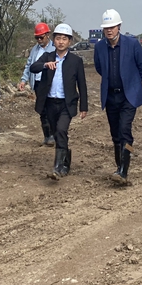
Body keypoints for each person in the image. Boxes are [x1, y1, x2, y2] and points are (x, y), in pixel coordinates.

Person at [94, 9, 142, 184]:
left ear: (119, 26)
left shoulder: (132, 44)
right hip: (110, 96)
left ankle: (124, 171)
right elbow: (99, 67)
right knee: (115, 134)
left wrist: (132, 84)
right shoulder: (99, 47)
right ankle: (119, 168)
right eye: (106, 28)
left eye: (112, 27)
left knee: (125, 130)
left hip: (128, 96)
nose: (109, 30)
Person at [30, 23, 88, 180]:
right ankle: (65, 162)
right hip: (50, 103)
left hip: (66, 104)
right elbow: (33, 67)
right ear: (53, 40)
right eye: (58, 38)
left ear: (69, 41)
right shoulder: (48, 56)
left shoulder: (75, 61)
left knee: (61, 130)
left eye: (64, 39)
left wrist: (84, 106)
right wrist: (44, 65)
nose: (61, 42)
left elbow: (82, 85)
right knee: (57, 133)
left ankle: (57, 168)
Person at [19, 22, 56, 145]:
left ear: (47, 35)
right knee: (42, 110)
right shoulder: (34, 50)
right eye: (37, 38)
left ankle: (54, 134)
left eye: (41, 37)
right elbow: (29, 65)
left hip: (50, 83)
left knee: (52, 109)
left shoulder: (54, 48)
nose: (39, 40)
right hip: (38, 84)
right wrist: (23, 80)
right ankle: (47, 136)